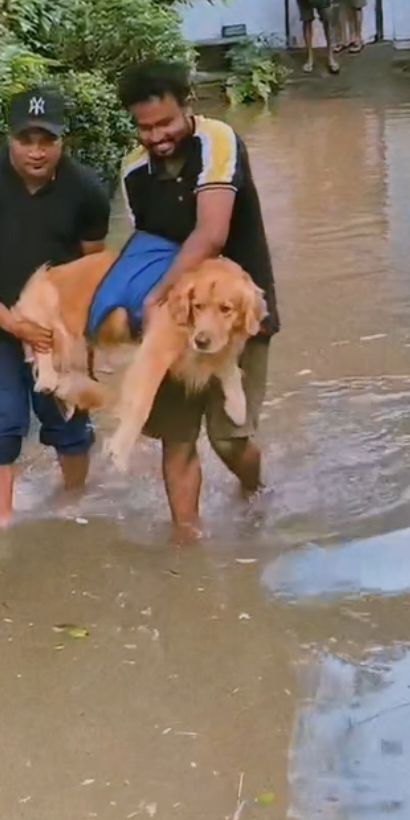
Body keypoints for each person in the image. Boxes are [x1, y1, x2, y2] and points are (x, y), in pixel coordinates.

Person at [116, 61, 279, 534]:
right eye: (144, 127)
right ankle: (186, 543)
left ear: (187, 106)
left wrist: (156, 295)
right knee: (177, 439)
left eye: (165, 122)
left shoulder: (218, 142)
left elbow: (211, 234)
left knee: (230, 439)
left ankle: (255, 490)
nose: (157, 136)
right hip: (175, 321)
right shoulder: (132, 171)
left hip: (239, 314)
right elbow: (144, 250)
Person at [0, 87, 111, 524]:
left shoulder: (86, 190)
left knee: (70, 426)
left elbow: (94, 266)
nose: (36, 152)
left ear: (63, 141)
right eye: (26, 140)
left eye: (47, 141)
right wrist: (13, 324)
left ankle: (74, 508)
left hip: (61, 331)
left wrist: (85, 335)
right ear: (9, 139)